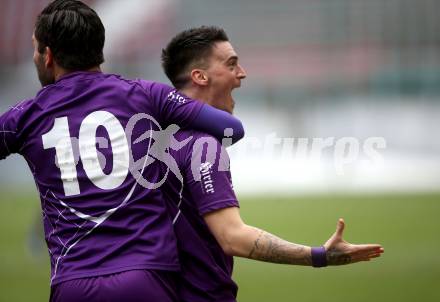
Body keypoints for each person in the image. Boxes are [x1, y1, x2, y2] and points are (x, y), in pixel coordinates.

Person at [0, 2, 245, 302]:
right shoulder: (145, 94)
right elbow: (231, 128)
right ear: (99, 49)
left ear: (48, 56)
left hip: (73, 283)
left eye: (36, 49)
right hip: (145, 280)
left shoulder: (24, 117)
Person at [160, 26, 385, 301]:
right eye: (231, 64)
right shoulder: (202, 146)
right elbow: (232, 237)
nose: (241, 73)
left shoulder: (156, 141)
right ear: (200, 76)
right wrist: (319, 256)